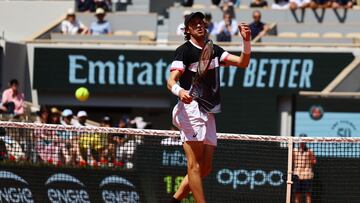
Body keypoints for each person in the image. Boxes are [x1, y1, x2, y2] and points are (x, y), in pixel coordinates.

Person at [167, 12, 251, 203]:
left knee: (205, 168)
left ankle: (173, 201)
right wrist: (180, 92)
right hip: (190, 109)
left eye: (201, 23)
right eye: (194, 24)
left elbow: (243, 62)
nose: (199, 26)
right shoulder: (184, 51)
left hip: (208, 110)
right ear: (187, 30)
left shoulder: (213, 50)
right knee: (194, 165)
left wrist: (246, 41)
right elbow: (171, 81)